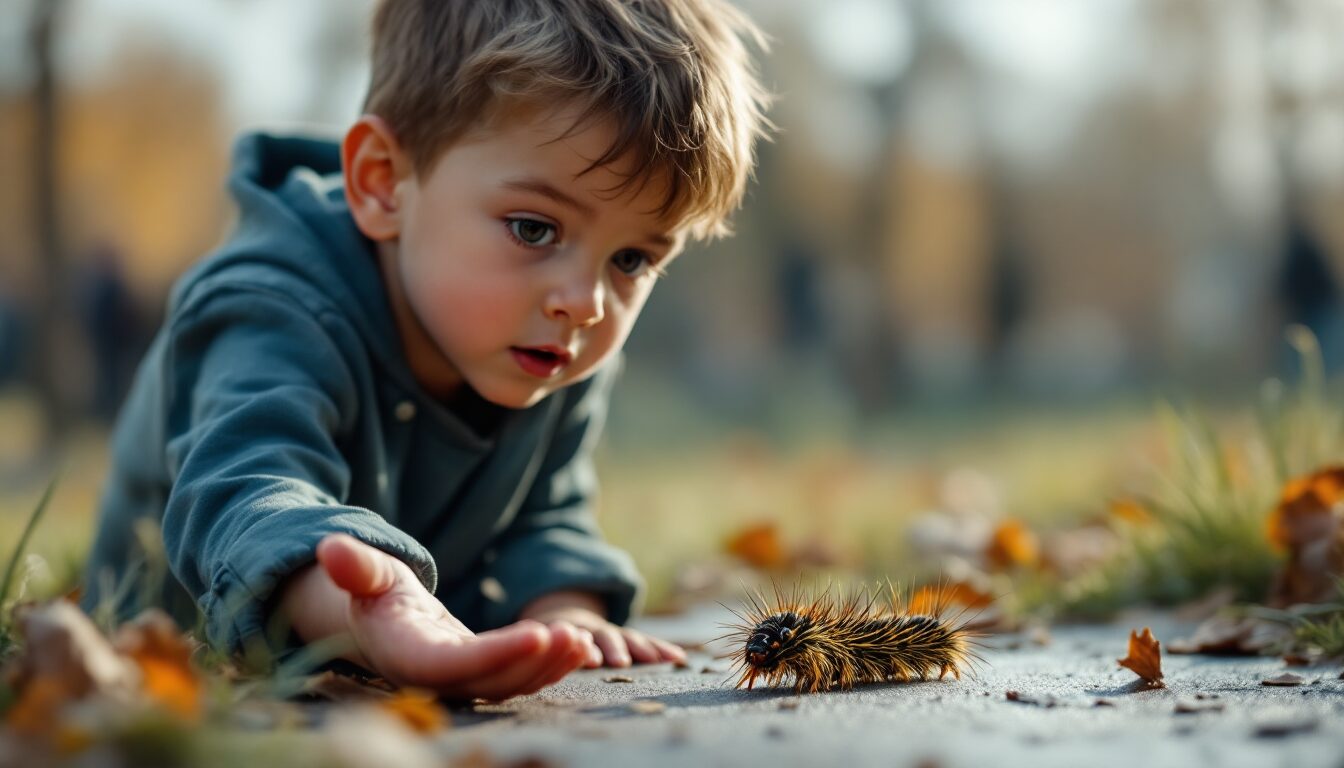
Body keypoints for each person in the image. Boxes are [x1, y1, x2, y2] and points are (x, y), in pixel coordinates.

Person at [82, 0, 771, 702]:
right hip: (161, 658)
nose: (587, 301)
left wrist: (564, 612)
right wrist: (367, 606)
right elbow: (249, 495)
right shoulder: (272, 306)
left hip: (404, 636)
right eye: (534, 229)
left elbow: (544, 511)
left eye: (631, 258)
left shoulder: (547, 337)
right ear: (383, 181)